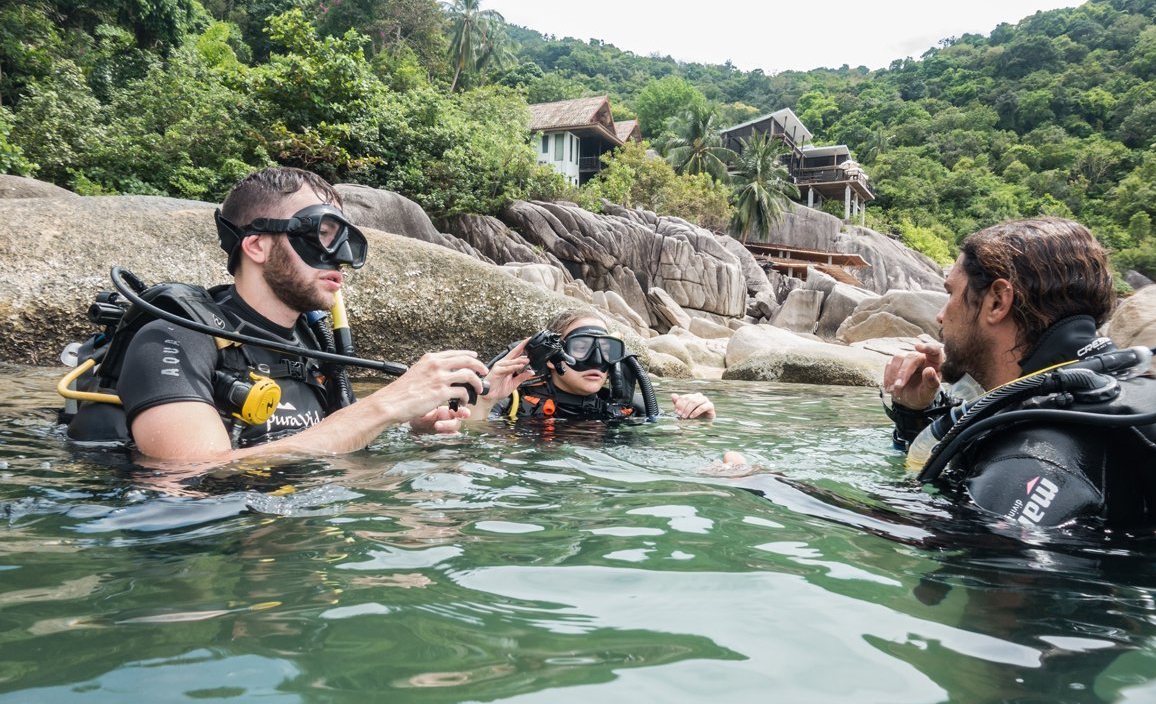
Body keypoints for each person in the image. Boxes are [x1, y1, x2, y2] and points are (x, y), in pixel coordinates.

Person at [66, 167, 488, 462]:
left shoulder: (315, 344)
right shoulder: (173, 337)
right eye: (321, 234)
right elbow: (189, 476)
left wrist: (410, 425)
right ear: (256, 245)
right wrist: (384, 405)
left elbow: (330, 442)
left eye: (345, 240)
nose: (340, 259)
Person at [882, 217, 1156, 533]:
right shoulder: (1147, 392)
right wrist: (915, 413)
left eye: (950, 293)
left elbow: (995, 569)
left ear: (997, 301)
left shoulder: (1030, 461)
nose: (941, 313)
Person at [471, 309, 717, 422]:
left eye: (607, 349)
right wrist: (484, 400)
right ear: (552, 356)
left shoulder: (629, 408)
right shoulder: (512, 404)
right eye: (581, 347)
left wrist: (698, 418)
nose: (598, 360)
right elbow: (466, 441)